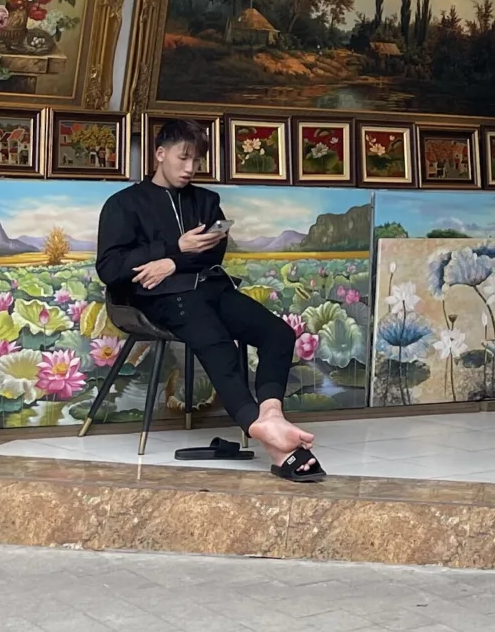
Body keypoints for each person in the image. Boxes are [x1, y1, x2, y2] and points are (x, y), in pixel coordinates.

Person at [96, 119, 325, 480]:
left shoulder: (206, 201)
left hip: (210, 286)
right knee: (217, 342)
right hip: (158, 297)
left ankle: (271, 416)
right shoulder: (123, 204)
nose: (190, 168)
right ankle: (268, 437)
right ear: (160, 154)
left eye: (197, 161)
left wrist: (172, 261)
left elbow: (212, 255)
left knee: (278, 333)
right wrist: (175, 247)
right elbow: (110, 267)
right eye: (183, 158)